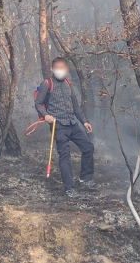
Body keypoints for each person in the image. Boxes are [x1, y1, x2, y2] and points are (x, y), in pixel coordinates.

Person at [35, 56, 95, 198]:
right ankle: (69, 188)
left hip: (72, 122)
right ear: (52, 68)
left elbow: (75, 105)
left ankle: (85, 178)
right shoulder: (46, 84)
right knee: (65, 155)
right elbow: (38, 103)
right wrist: (46, 115)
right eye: (57, 67)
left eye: (63, 68)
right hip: (58, 124)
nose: (60, 70)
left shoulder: (68, 83)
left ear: (67, 70)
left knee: (88, 147)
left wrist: (83, 121)